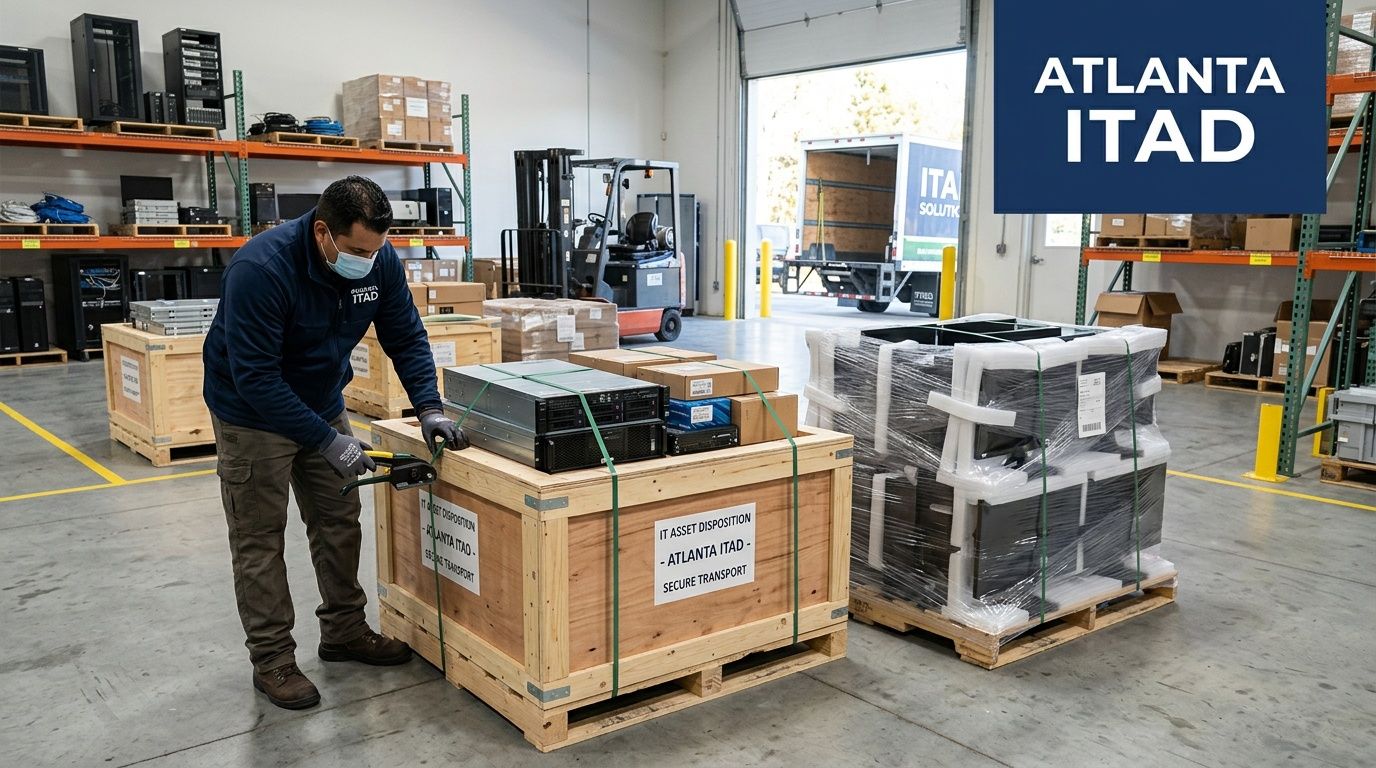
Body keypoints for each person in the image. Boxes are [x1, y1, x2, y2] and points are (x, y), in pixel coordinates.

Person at [202, 175, 467, 710]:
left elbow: (407, 336)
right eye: (355, 250)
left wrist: (429, 407)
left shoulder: (378, 260)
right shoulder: (261, 269)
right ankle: (273, 660)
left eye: (376, 250)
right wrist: (327, 440)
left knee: (339, 522)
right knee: (259, 538)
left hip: (322, 400)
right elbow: (256, 378)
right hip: (252, 415)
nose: (366, 261)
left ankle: (344, 631)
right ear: (323, 232)